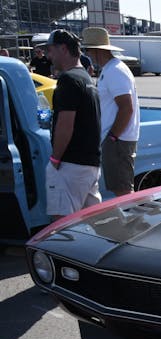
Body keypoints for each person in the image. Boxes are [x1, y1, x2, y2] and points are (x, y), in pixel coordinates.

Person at [45, 29, 102, 220]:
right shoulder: (86, 78)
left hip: (71, 165)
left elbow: (65, 124)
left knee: (62, 225)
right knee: (93, 223)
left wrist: (55, 159)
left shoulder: (68, 80)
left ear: (63, 49)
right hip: (90, 164)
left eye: (50, 50)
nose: (48, 56)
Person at [82, 27, 140, 196]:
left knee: (122, 190)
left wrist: (112, 137)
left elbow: (126, 107)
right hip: (116, 139)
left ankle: (130, 214)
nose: (88, 54)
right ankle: (129, 213)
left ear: (97, 50)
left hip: (118, 140)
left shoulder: (114, 70)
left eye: (88, 49)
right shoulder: (111, 69)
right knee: (120, 188)